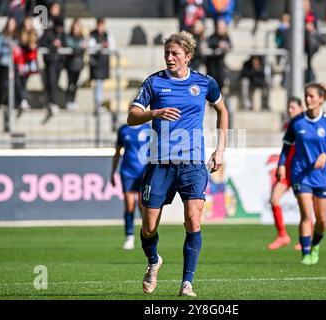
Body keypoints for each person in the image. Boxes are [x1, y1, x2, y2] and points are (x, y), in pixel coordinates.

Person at [127, 31, 228, 297]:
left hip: (193, 162)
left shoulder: (204, 83)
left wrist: (220, 149)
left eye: (175, 53)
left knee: (193, 220)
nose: (170, 58)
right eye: (167, 53)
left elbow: (223, 111)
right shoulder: (154, 82)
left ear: (188, 56)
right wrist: (155, 112)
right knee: (148, 227)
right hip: (160, 162)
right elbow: (132, 116)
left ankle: (187, 283)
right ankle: (153, 261)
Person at [277, 83, 326, 265]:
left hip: (320, 176)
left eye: (312, 96)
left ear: (321, 99)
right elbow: (286, 147)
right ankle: (305, 254)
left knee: (322, 220)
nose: (308, 99)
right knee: (306, 214)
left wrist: (325, 154)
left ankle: (315, 246)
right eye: (306, 96)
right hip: (300, 174)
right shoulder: (297, 122)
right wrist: (281, 165)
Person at [267, 97, 304, 250]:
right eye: (289, 107)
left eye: (293, 107)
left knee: (304, 206)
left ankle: (305, 239)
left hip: (300, 171)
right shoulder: (289, 125)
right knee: (274, 199)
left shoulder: (306, 124)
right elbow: (285, 149)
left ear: (301, 108)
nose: (290, 110)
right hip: (286, 171)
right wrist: (281, 165)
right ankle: (283, 235)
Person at [110, 122, 151, 250]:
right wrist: (112, 172)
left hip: (143, 171)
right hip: (127, 172)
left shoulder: (147, 128)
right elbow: (117, 152)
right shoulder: (123, 130)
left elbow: (154, 149)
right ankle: (129, 237)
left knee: (142, 204)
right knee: (129, 205)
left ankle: (147, 235)